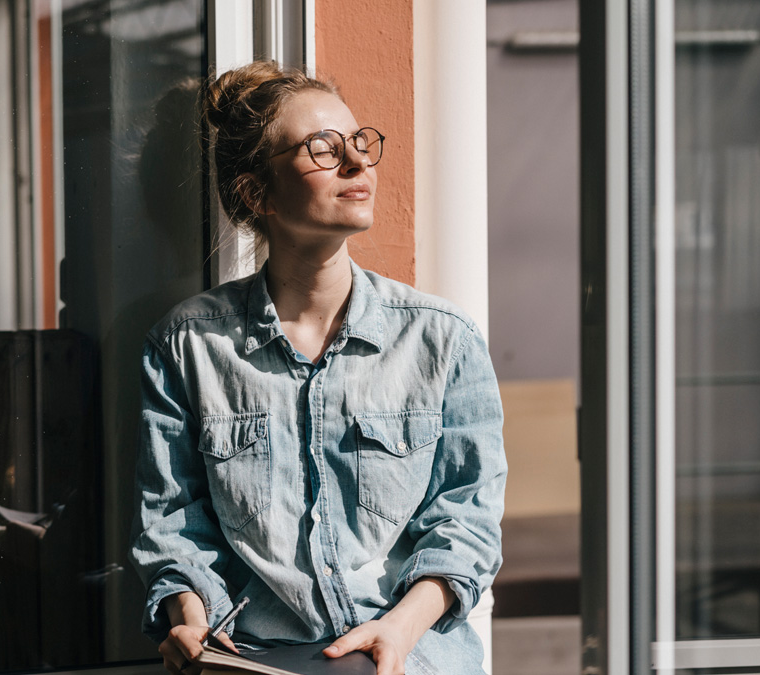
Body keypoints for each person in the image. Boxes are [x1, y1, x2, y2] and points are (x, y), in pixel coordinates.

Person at [127, 61, 506, 675]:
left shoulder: (441, 340)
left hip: (410, 655)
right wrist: (190, 623)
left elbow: (466, 524)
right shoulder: (187, 346)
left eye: (359, 144)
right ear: (256, 193)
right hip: (260, 659)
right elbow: (173, 522)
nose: (358, 165)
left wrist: (396, 632)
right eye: (324, 150)